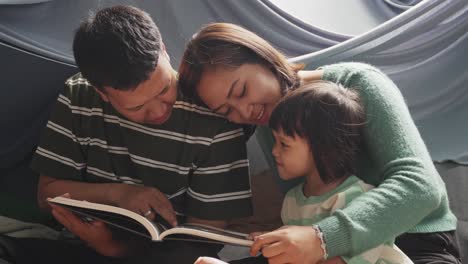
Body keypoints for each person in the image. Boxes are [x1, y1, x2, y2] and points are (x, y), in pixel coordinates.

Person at [178, 23, 462, 263]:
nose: (244, 113)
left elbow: (422, 187)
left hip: (415, 240)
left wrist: (322, 238)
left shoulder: (358, 83)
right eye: (227, 111)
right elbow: (309, 209)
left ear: (262, 58)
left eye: (241, 91)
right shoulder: (268, 123)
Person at [0, 7, 252, 264]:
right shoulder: (79, 95)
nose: (157, 111)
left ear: (163, 49)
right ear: (101, 92)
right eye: (136, 107)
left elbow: (203, 244)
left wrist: (115, 250)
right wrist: (119, 195)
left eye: (164, 90)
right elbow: (47, 196)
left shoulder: (215, 115)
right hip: (80, 247)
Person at [196, 81, 415, 264]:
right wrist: (273, 242)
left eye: (284, 144)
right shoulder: (293, 200)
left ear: (323, 147)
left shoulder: (359, 199)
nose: (274, 151)